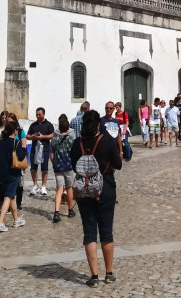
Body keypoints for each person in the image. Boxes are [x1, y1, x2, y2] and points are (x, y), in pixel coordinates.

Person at [71, 110, 123, 286]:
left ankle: (94, 276)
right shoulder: (107, 140)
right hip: (105, 188)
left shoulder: (77, 143)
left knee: (90, 232)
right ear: (98, 124)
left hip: (84, 191)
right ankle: (108, 273)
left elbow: (73, 165)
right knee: (106, 231)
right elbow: (119, 164)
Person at [0, 121, 27, 232]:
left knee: (12, 195)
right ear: (15, 131)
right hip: (13, 173)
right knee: (8, 197)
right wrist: (24, 148)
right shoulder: (16, 143)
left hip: (2, 173)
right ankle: (0, 222)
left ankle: (16, 219)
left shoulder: (1, 143)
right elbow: (21, 157)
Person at [50, 114, 77, 223]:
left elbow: (51, 155)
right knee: (69, 188)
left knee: (59, 189)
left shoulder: (55, 139)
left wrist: (54, 163)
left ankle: (56, 212)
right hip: (68, 166)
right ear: (68, 127)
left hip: (58, 167)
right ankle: (70, 210)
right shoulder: (71, 139)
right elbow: (74, 153)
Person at [27, 107, 55, 196]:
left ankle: (43, 186)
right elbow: (27, 136)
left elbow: (52, 135)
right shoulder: (33, 125)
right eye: (37, 115)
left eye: (39, 114)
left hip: (45, 149)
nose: (38, 116)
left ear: (43, 114)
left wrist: (43, 137)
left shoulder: (49, 125)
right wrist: (33, 137)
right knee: (33, 168)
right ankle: (35, 185)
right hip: (34, 148)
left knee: (44, 168)